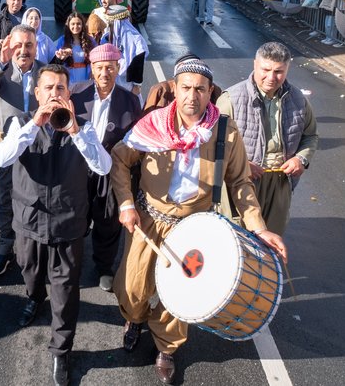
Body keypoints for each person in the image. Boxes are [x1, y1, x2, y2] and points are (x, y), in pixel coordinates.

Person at [111, 58, 287, 384]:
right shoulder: (153, 124)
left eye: (200, 89)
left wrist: (259, 228)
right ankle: (134, 320)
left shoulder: (224, 131)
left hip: (195, 226)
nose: (193, 96)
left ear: (210, 93)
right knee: (133, 286)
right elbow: (120, 160)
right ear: (175, 89)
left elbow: (240, 184)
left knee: (180, 296)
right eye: (186, 88)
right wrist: (125, 204)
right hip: (149, 218)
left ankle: (166, 347)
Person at [0, 64, 111, 386]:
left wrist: (74, 130)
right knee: (29, 270)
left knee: (65, 290)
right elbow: (4, 158)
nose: (54, 94)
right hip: (29, 221)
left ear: (68, 94)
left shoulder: (83, 128)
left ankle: (62, 351)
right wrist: (36, 123)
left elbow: (103, 167)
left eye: (60, 88)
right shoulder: (20, 122)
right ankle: (33, 296)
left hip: (67, 223)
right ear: (37, 92)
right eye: (49, 88)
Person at [216, 42, 318, 235]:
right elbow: (213, 145)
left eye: (279, 71)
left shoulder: (298, 99)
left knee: (272, 239)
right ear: (255, 64)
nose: (271, 78)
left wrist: (301, 159)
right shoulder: (231, 99)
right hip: (241, 182)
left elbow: (310, 135)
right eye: (266, 69)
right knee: (238, 239)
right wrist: (242, 164)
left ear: (288, 68)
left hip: (280, 182)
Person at [69, 43, 141, 291]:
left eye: (110, 68)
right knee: (76, 216)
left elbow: (135, 141)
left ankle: (104, 266)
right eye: (99, 68)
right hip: (78, 168)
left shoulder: (130, 101)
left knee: (107, 220)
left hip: (110, 169)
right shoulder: (76, 93)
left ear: (118, 68)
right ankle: (72, 262)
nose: (104, 74)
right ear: (92, 68)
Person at [0, 24, 44, 275]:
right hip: (5, 145)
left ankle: (33, 243)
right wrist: (0, 61)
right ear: (9, 46)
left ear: (36, 47)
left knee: (37, 194)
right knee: (3, 194)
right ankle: (4, 245)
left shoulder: (45, 72)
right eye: (18, 45)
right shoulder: (0, 71)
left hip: (38, 146)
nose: (23, 50)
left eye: (29, 45)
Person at [143, 53, 222, 115]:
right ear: (175, 87)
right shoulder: (160, 89)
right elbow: (146, 121)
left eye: (200, 89)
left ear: (210, 91)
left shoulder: (221, 126)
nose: (192, 98)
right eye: (186, 88)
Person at [100, 4, 148, 96]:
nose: (109, 25)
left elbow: (139, 63)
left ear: (117, 22)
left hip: (127, 84)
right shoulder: (108, 35)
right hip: (110, 80)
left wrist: (137, 85)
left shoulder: (135, 39)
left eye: (111, 22)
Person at [53, 12, 94, 85]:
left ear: (82, 25)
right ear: (68, 25)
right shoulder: (62, 40)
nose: (76, 26)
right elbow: (56, 62)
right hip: (68, 80)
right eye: (73, 24)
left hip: (86, 78)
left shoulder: (90, 40)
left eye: (78, 24)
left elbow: (96, 58)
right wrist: (61, 57)